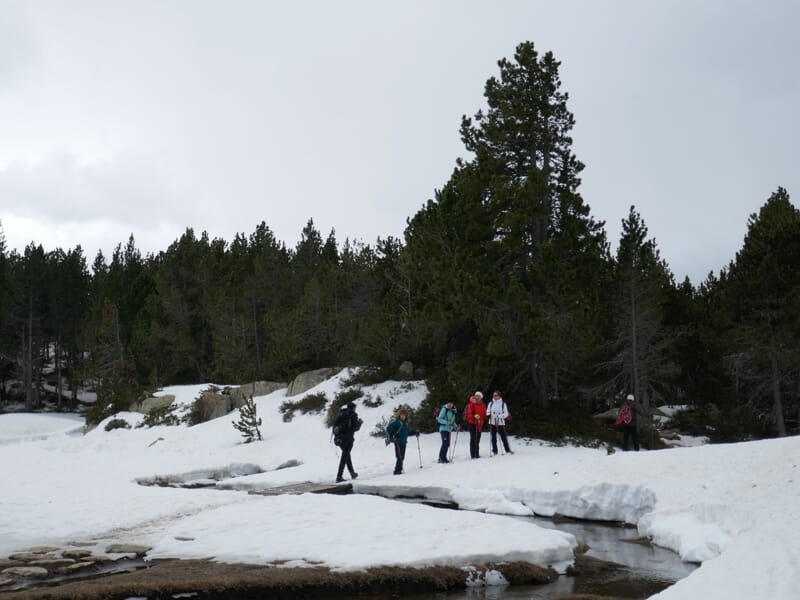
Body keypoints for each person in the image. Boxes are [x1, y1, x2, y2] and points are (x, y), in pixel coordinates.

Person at [333, 402, 363, 482]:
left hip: (339, 439)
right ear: (353, 408)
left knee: (346, 455)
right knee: (344, 456)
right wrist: (359, 423)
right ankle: (339, 476)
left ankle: (352, 473)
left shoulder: (341, 413)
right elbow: (355, 428)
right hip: (348, 438)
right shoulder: (352, 415)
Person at [386, 409, 419, 474]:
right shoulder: (397, 422)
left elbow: (407, 433)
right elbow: (389, 428)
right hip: (398, 442)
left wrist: (415, 432)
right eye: (402, 415)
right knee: (399, 456)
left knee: (402, 457)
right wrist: (391, 437)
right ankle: (397, 470)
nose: (403, 416)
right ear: (399, 415)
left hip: (403, 442)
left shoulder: (405, 424)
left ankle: (399, 469)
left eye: (404, 415)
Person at [487, 390, 513, 455]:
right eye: (494, 395)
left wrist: (499, 416)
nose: (494, 397)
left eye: (496, 395)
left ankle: (507, 450)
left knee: (503, 437)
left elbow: (506, 414)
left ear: (499, 396)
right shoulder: (491, 403)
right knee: (493, 437)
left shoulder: (503, 404)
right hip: (492, 422)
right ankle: (494, 451)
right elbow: (487, 411)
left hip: (500, 422)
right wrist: (490, 414)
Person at [465, 391, 487, 459]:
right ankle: (473, 455)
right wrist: (474, 416)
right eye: (476, 395)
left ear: (481, 397)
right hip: (473, 424)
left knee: (478, 440)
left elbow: (484, 414)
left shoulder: (483, 405)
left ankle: (477, 454)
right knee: (473, 439)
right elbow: (468, 414)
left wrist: (488, 417)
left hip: (480, 424)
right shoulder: (471, 404)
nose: (477, 397)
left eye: (479, 396)